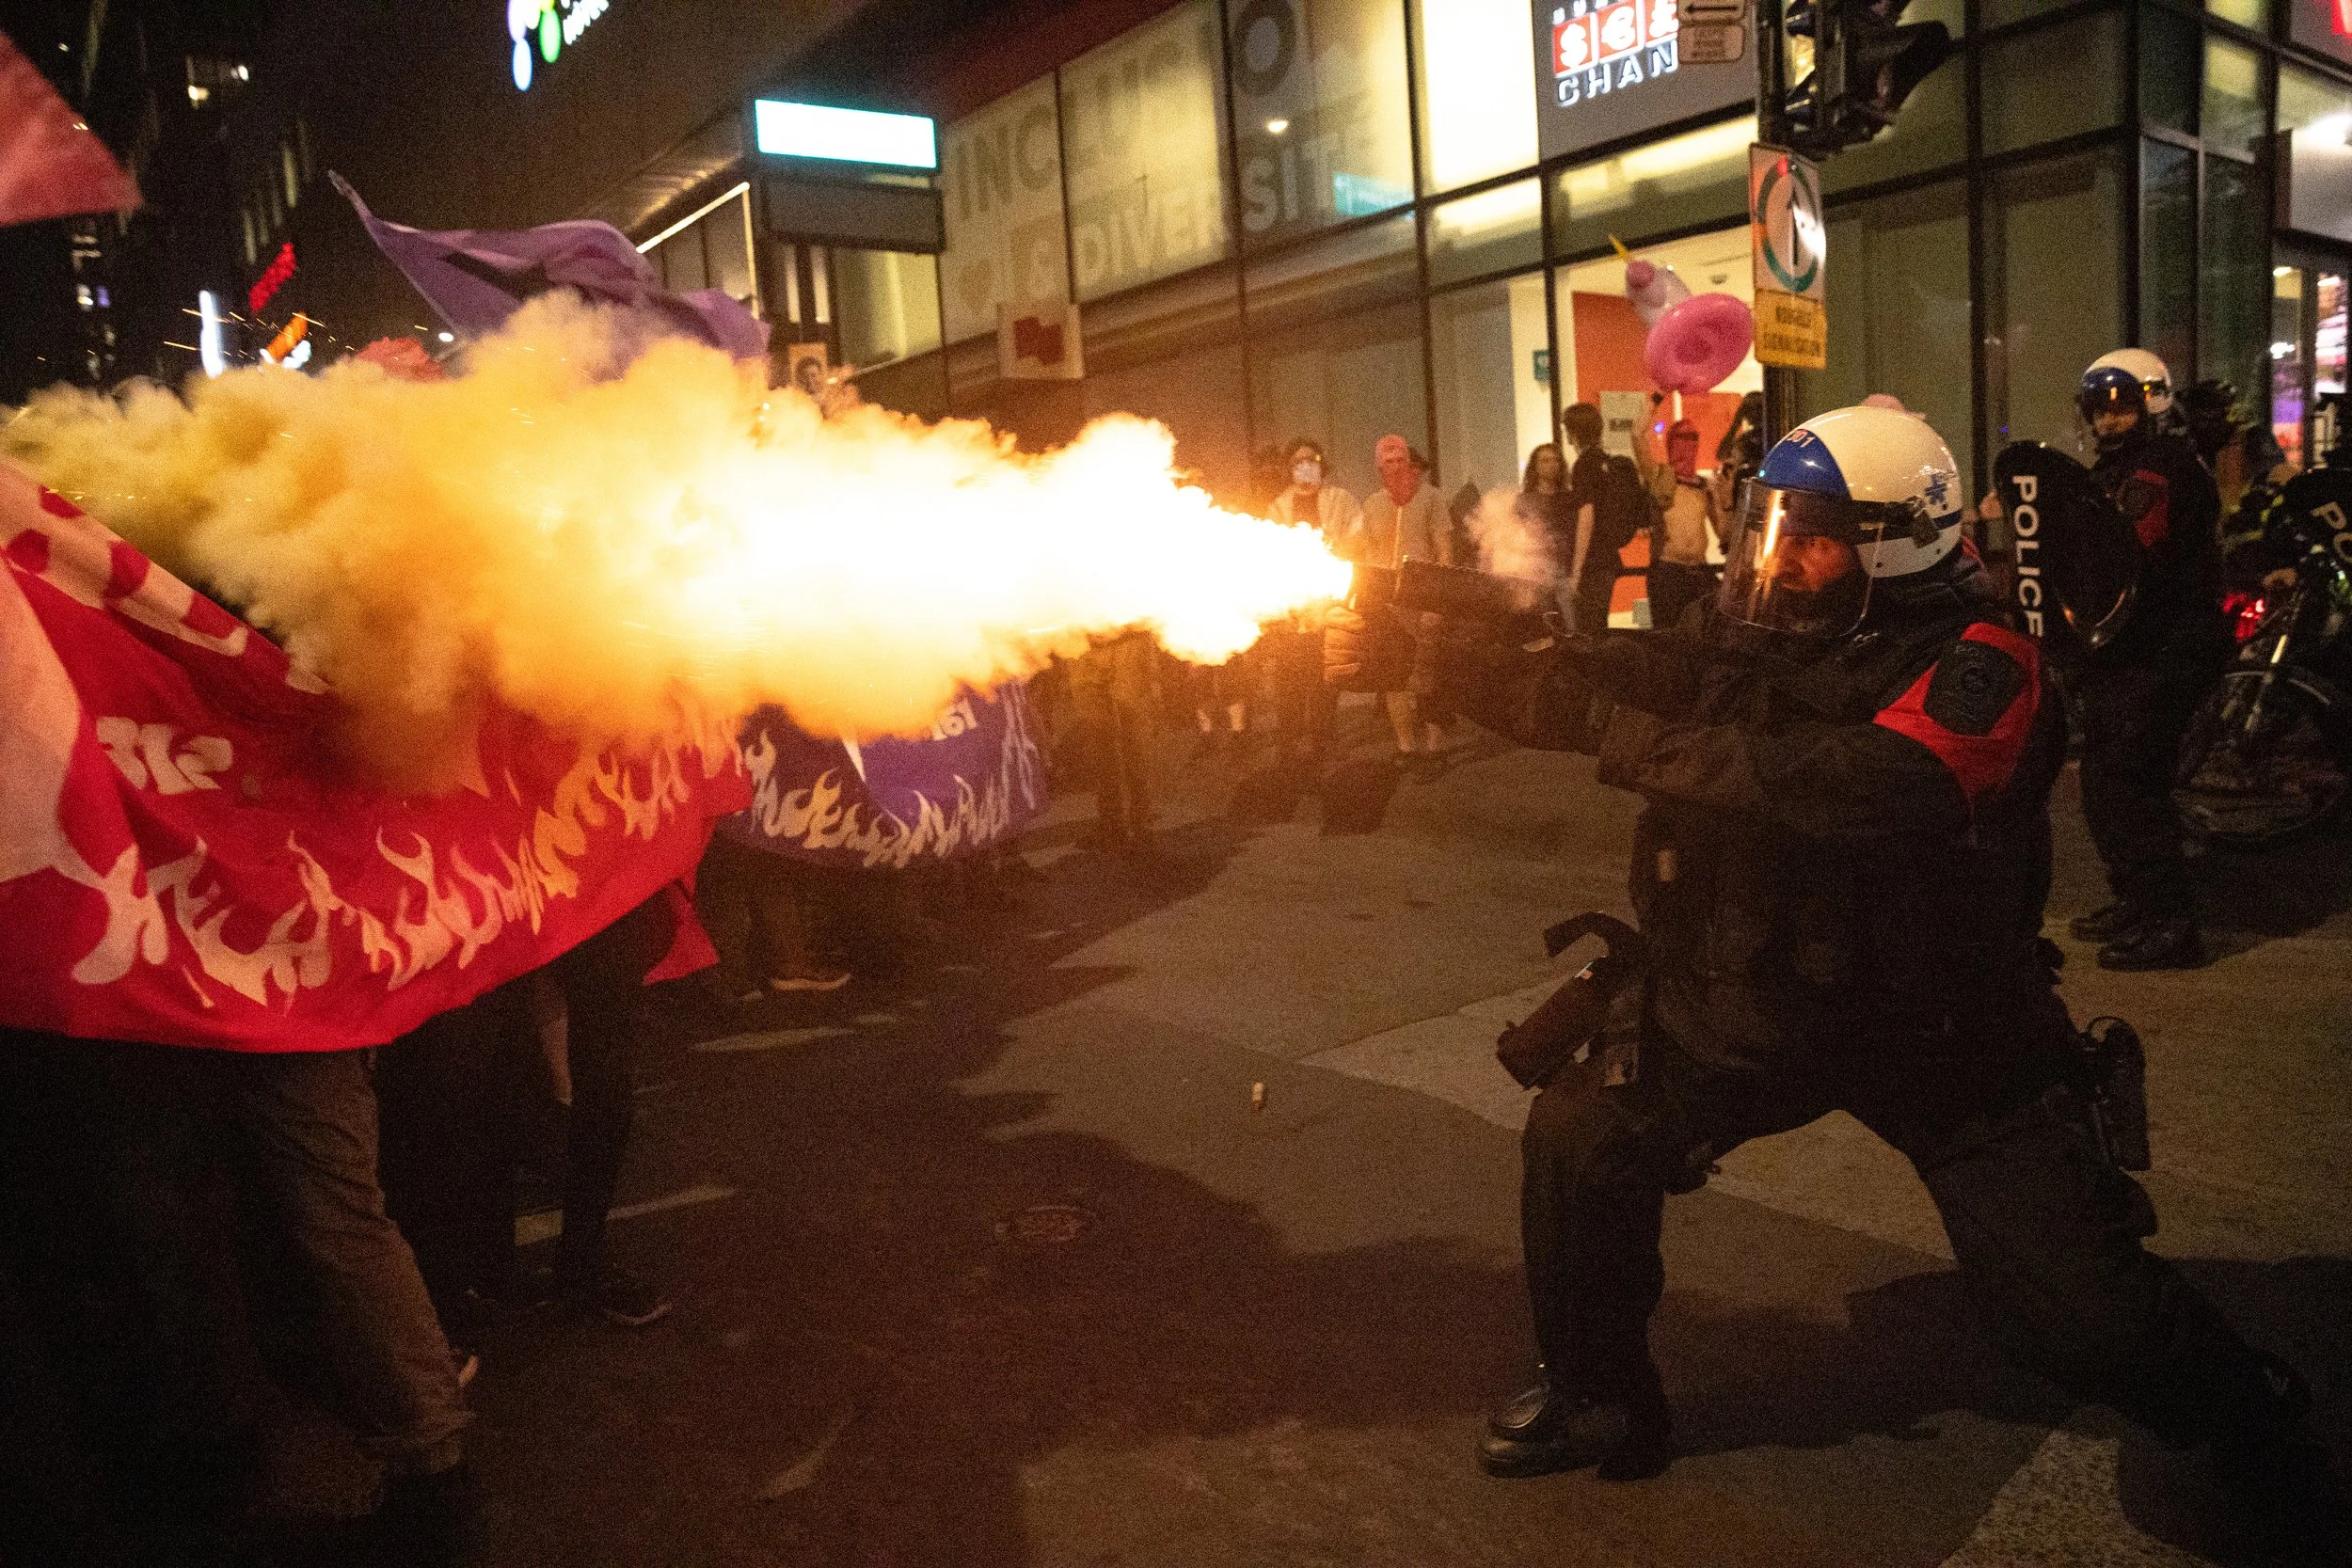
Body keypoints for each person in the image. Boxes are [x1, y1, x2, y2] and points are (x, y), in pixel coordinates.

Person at [1326, 404, 2339, 1554]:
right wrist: (1441, 664)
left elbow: (1857, 784)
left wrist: (1609, 725)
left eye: (1812, 535)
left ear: (1898, 541)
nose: (1782, 556)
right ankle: (1597, 1388)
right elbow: (1624, 670)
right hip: (1756, 1003)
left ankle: (2251, 1419)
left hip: (1945, 1030)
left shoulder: (1987, 660)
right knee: (1580, 1133)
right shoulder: (1757, 629)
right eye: (1777, 527)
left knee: (2078, 1315)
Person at [2064, 357, 2230, 971]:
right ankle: (2137, 900)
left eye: (2122, 407)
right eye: (2100, 410)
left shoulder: (2158, 469)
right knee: (2108, 781)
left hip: (2163, 648)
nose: (2109, 421)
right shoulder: (2121, 468)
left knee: (2129, 784)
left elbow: (2133, 550)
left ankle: (2168, 923)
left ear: (2151, 404)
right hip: (2135, 649)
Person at [1359, 434, 1450, 755]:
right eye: (1389, 461)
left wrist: (1439, 602)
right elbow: (1366, 552)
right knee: (1393, 677)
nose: (1396, 466)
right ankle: (1406, 747)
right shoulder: (1372, 504)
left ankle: (1434, 747)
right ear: (1379, 468)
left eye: (1401, 460)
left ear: (1410, 463)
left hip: (1425, 600)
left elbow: (1444, 550)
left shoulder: (1432, 497)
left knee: (1431, 675)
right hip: (1386, 605)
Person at [1268, 439, 1360, 759]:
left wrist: (1335, 549)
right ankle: (1289, 744)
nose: (1305, 466)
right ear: (1289, 468)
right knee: (1289, 678)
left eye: (1311, 459)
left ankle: (1323, 740)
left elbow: (1357, 539)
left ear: (1322, 464)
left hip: (1328, 606)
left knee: (1326, 676)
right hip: (1293, 610)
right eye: (1298, 461)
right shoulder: (1279, 506)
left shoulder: (1340, 500)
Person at [1561, 403, 1651, 635]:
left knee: (1588, 630)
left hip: (1593, 563)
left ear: (1572, 433)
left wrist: (1576, 572)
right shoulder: (1608, 462)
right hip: (1610, 559)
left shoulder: (1584, 465)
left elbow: (1586, 517)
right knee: (1599, 625)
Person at [1641, 418, 1722, 631]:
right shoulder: (1660, 479)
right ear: (1671, 443)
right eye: (1682, 438)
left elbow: (1724, 534)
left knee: (1708, 631)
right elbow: (1637, 438)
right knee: (1668, 636)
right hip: (1668, 571)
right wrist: (1653, 404)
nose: (1688, 444)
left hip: (1699, 571)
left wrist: (1721, 497)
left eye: (1693, 438)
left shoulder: (1703, 486)